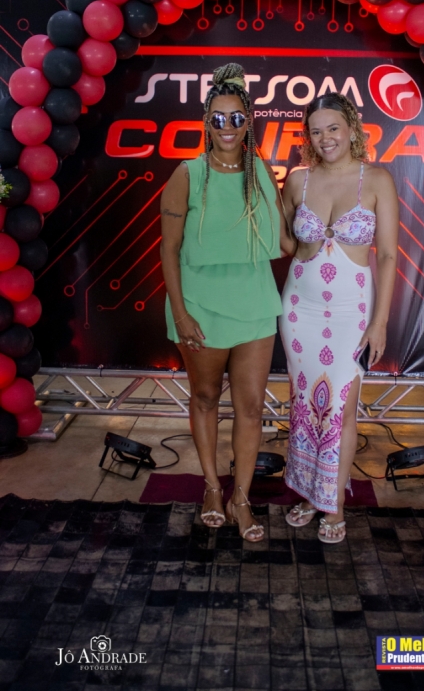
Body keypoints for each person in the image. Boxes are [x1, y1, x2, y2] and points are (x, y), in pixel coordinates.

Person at [160, 63, 294, 542]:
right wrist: (180, 313)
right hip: (201, 305)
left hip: (255, 302)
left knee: (252, 407)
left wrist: (327, 226)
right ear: (206, 122)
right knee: (204, 397)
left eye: (236, 118)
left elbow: (285, 241)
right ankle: (212, 489)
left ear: (248, 122)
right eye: (218, 118)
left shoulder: (261, 172)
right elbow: (168, 250)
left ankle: (241, 498)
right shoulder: (187, 174)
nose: (227, 127)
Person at [280, 92, 399, 544]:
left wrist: (380, 322)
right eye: (316, 131)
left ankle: (334, 504)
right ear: (308, 137)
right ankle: (310, 494)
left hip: (353, 313)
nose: (325, 138)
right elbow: (287, 245)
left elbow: (386, 255)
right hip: (299, 310)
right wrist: (265, 199)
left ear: (351, 128)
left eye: (333, 128)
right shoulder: (297, 180)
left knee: (341, 408)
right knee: (305, 405)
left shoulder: (378, 180)